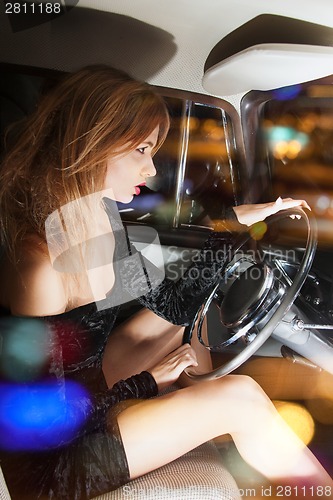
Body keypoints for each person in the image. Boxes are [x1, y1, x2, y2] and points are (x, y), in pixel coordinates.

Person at [0, 65, 331, 500]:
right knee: (241, 396)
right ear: (92, 144)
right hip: (57, 463)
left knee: (189, 338)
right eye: (140, 149)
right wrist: (146, 384)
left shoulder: (99, 223)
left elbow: (169, 306)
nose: (151, 168)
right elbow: (41, 421)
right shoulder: (38, 267)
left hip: (88, 391)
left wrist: (233, 226)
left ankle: (224, 438)